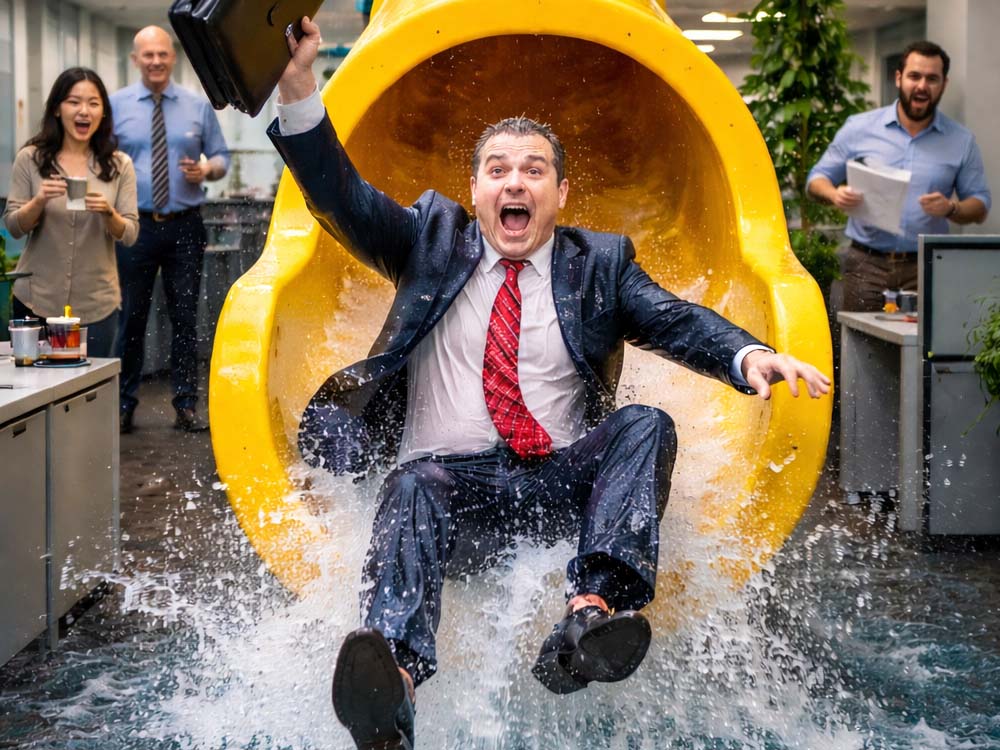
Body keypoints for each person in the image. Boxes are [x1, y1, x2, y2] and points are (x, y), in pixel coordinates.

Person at [269, 18, 829, 750]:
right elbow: (338, 195)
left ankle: (587, 618)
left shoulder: (600, 263)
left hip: (556, 486)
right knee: (410, 483)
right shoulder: (427, 242)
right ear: (473, 188)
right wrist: (297, 87)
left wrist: (748, 356)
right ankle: (394, 689)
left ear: (560, 192)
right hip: (450, 491)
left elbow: (675, 319)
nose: (514, 182)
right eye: (497, 168)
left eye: (533, 170)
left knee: (646, 424)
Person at [807, 40, 991, 313]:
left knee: (920, 352)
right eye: (914, 76)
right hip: (865, 265)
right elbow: (816, 180)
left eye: (932, 79)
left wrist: (951, 207)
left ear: (943, 84)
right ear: (899, 78)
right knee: (861, 349)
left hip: (925, 267)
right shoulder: (859, 128)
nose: (922, 86)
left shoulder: (960, 140)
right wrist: (834, 194)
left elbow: (980, 205)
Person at [111, 25, 230, 433]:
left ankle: (186, 405)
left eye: (162, 54)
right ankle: (123, 404)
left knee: (185, 318)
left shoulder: (197, 107)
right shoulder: (116, 106)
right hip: (135, 227)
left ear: (172, 57)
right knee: (132, 318)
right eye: (148, 55)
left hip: (185, 226)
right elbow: (100, 162)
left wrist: (207, 170)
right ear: (136, 60)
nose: (156, 61)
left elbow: (220, 158)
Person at [3, 68, 138, 357]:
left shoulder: (118, 165)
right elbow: (14, 225)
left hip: (97, 304)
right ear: (56, 108)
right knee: (33, 393)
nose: (84, 111)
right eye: (74, 102)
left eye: (93, 103)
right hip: (36, 299)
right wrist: (39, 200)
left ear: (103, 112)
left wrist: (108, 213)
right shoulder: (31, 159)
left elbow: (129, 233)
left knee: (92, 393)